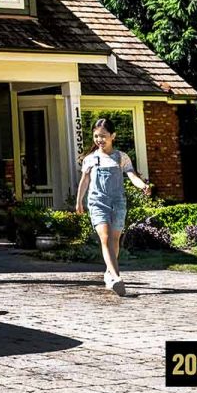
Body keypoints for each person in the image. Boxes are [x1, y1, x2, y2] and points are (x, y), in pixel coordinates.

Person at [75, 118, 151, 296]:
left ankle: (109, 273)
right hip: (98, 201)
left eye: (103, 136)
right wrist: (79, 201)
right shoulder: (90, 159)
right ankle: (117, 277)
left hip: (117, 202)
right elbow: (84, 181)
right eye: (96, 136)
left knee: (115, 240)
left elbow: (132, 175)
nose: (99, 140)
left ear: (112, 136)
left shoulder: (121, 157)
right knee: (105, 237)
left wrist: (143, 186)